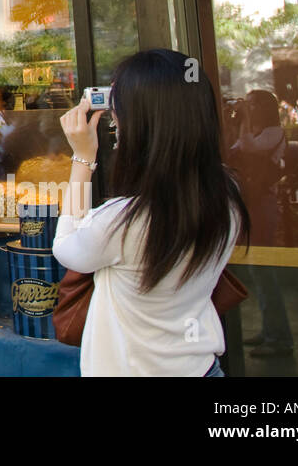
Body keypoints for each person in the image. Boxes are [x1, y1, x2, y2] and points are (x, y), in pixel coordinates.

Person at [53, 49, 249, 377]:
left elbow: (66, 249)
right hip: (201, 368)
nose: (114, 119)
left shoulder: (123, 221)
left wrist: (82, 158)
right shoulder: (228, 197)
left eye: (120, 109)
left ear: (145, 124)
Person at [228, 89, 293, 358]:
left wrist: (241, 119)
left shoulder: (274, 133)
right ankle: (270, 330)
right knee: (258, 271)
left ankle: (280, 338)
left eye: (253, 104)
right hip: (252, 203)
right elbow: (233, 149)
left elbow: (248, 148)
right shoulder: (255, 132)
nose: (249, 108)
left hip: (263, 204)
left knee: (265, 271)